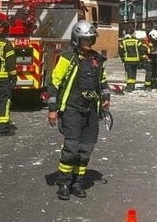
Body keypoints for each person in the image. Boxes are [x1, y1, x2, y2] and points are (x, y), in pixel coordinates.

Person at [47, 20, 111, 200]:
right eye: (85, 40)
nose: (88, 43)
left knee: (86, 149)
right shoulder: (68, 58)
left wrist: (106, 98)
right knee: (72, 148)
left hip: (91, 110)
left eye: (91, 40)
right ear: (76, 39)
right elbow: (54, 83)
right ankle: (64, 183)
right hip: (72, 109)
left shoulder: (97, 59)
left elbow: (102, 82)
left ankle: (77, 182)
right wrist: (53, 109)